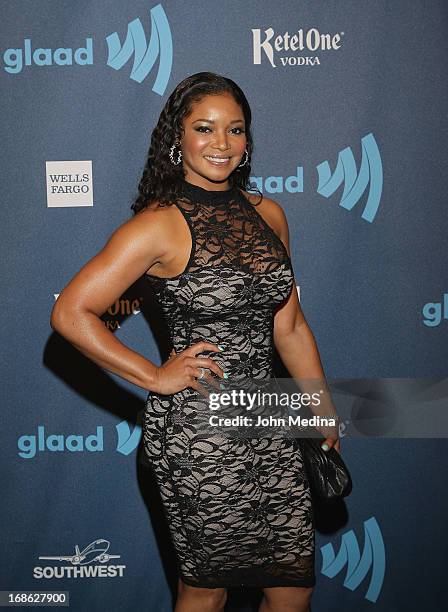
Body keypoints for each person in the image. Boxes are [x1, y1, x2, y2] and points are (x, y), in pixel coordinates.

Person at [50, 72, 340, 612]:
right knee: (207, 591)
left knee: (293, 586)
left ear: (248, 141)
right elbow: (71, 312)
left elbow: (290, 326)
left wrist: (319, 408)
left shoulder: (269, 216)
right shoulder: (158, 225)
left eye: (235, 130)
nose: (221, 144)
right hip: (199, 435)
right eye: (204, 128)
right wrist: (155, 375)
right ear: (176, 139)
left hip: (270, 420)